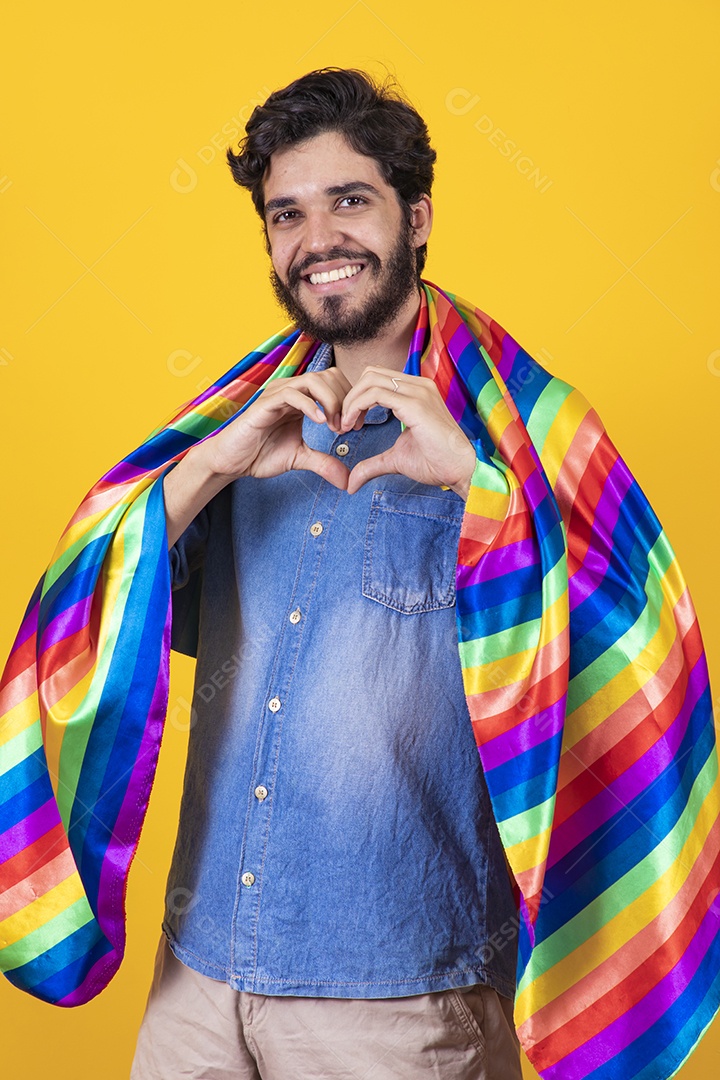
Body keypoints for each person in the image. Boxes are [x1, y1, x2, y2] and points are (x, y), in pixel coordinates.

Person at [130, 68, 524, 1079]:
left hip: (398, 991)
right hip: (200, 975)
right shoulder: (242, 424)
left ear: (416, 216)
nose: (318, 239)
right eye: (287, 214)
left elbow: (620, 642)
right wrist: (209, 469)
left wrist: (480, 491)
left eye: (350, 200)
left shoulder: (521, 437)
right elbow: (102, 610)